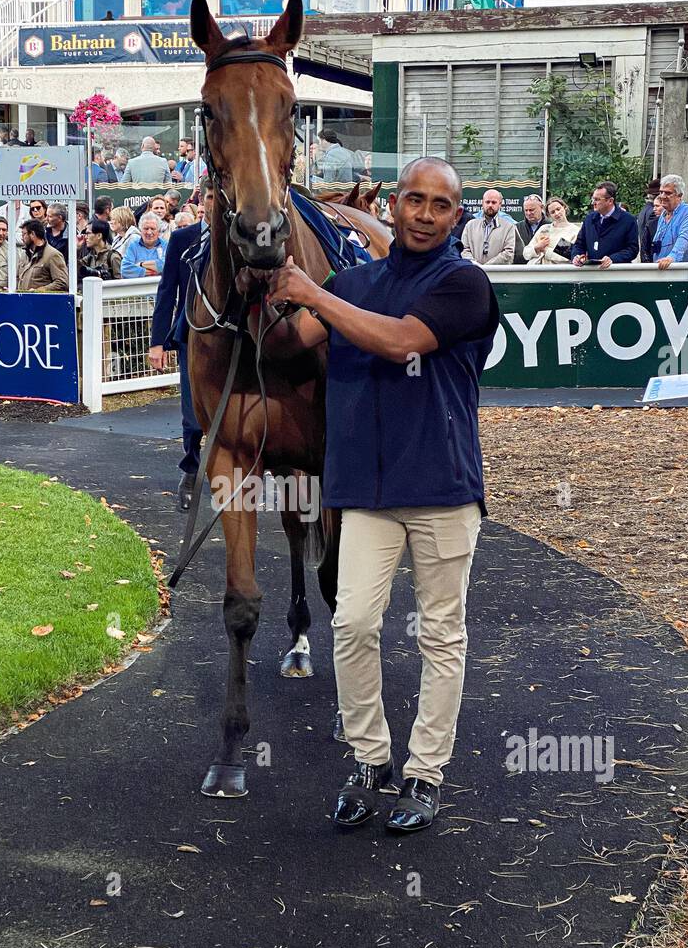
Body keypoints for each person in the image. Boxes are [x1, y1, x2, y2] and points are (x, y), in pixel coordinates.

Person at [261, 156, 500, 834]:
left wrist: (316, 294)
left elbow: (399, 342)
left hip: (441, 488)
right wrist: (257, 279)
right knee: (353, 624)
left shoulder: (464, 283)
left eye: (439, 205)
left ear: (455, 216)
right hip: (361, 490)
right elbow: (284, 344)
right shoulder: (354, 279)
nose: (424, 214)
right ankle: (370, 761)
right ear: (392, 205)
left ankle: (424, 773)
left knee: (439, 635)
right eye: (414, 200)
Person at [148, 180, 210, 510]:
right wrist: (157, 342)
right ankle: (191, 471)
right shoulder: (183, 239)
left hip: (233, 339)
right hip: (191, 336)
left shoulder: (237, 240)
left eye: (216, 199)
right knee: (191, 410)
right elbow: (166, 291)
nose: (211, 206)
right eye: (207, 200)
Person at [571, 181, 639, 267]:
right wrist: (577, 256)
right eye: (593, 199)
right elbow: (579, 244)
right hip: (592, 274)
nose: (593, 203)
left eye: (597, 199)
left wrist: (613, 258)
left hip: (617, 273)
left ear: (610, 201)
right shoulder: (589, 219)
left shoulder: (628, 220)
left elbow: (632, 249)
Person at [649, 174, 688, 268]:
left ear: (679, 195)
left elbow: (684, 238)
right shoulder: (663, 215)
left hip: (681, 273)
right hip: (661, 271)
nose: (662, 196)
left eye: (668, 193)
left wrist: (671, 257)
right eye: (661, 192)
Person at [461, 189, 520, 264]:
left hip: (498, 273)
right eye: (487, 202)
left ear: (500, 204)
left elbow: (508, 253)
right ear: (482, 203)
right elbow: (464, 250)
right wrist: (476, 265)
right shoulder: (470, 226)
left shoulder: (509, 227)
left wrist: (488, 267)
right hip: (474, 272)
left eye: (494, 202)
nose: (490, 205)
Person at [522, 196, 581, 265]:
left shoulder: (574, 231)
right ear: (549, 215)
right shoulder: (544, 229)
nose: (556, 213)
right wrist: (537, 247)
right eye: (552, 212)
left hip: (559, 272)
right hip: (536, 271)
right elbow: (526, 253)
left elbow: (570, 256)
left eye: (558, 209)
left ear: (564, 207)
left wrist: (545, 250)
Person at [18, 219, 68, 291]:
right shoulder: (24, 255)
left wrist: (39, 291)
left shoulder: (53, 255)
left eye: (24, 234)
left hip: (43, 301)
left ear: (32, 234)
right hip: (23, 301)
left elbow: (62, 282)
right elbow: (18, 278)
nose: (22, 238)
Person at [120, 213, 166, 278]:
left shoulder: (166, 245)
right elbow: (125, 270)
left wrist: (141, 264)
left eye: (152, 229)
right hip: (138, 287)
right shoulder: (133, 246)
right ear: (140, 230)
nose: (149, 232)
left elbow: (166, 265)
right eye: (146, 229)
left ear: (158, 231)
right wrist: (149, 271)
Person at [77, 218, 119, 286]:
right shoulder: (90, 257)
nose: (85, 237)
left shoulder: (113, 257)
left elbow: (120, 284)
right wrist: (78, 249)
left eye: (88, 233)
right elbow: (76, 269)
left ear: (99, 235)